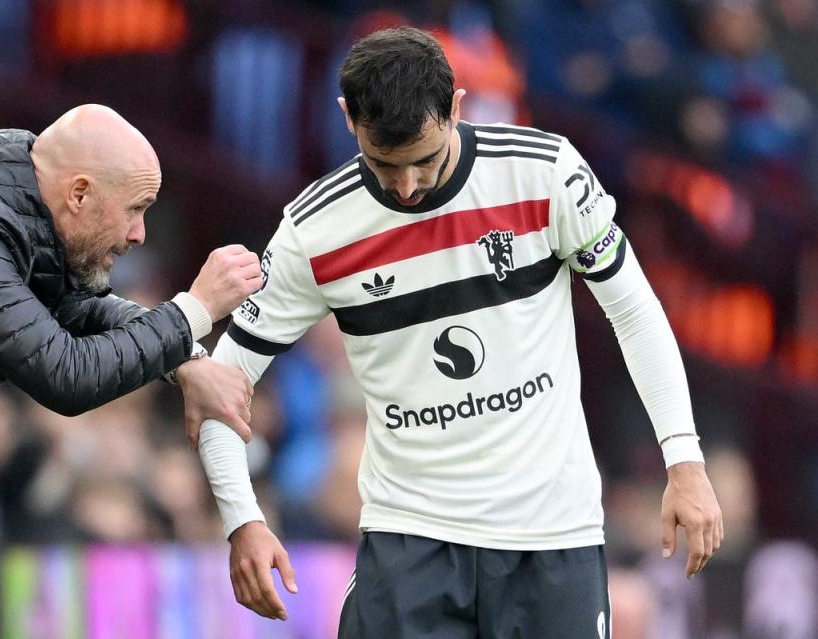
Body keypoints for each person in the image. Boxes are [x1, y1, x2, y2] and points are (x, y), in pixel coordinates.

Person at [195, 27, 724, 636]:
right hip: (409, 544)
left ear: (456, 108)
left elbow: (634, 310)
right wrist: (243, 519)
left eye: (425, 159)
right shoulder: (315, 231)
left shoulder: (544, 174)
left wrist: (684, 460)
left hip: (551, 539)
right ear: (347, 118)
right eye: (384, 164)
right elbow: (221, 384)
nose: (408, 186)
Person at [0, 104, 263, 533]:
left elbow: (83, 310)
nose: (140, 234)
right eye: (135, 209)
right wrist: (193, 311)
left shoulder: (19, 220)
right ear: (78, 194)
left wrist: (184, 357)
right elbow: (65, 374)